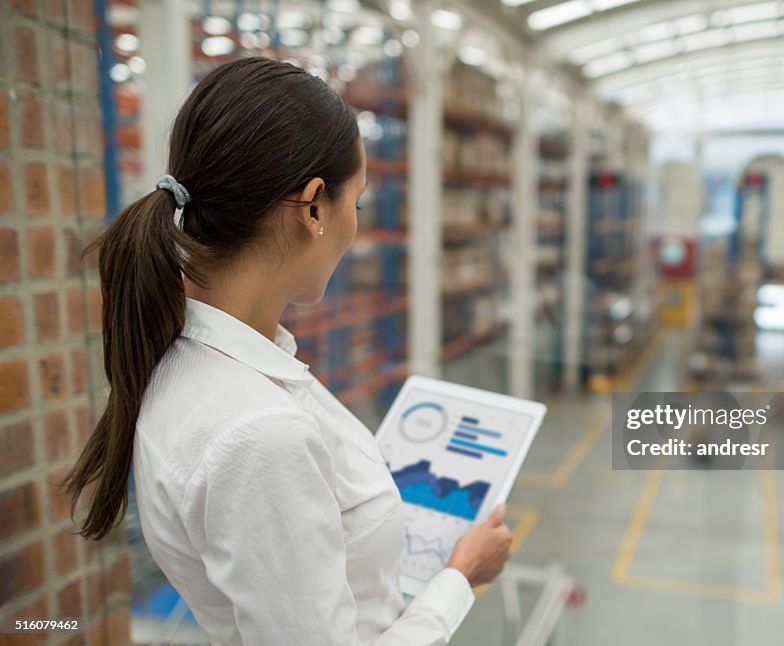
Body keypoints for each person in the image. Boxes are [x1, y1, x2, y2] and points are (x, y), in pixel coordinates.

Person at [61, 56, 512, 645]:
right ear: (315, 207)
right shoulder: (256, 432)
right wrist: (459, 577)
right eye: (359, 201)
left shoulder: (201, 362)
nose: (356, 222)